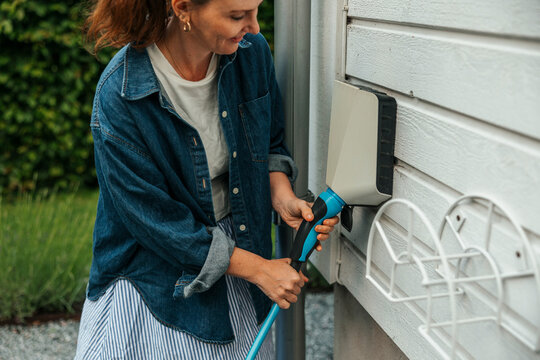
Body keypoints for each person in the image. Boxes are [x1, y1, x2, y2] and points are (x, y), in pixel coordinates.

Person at [75, 0, 339, 358]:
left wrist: (283, 197)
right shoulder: (121, 95)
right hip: (154, 273)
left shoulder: (251, 53)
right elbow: (157, 224)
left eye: (256, 9)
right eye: (237, 16)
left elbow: (269, 142)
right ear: (183, 8)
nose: (255, 28)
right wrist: (260, 269)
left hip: (239, 251)